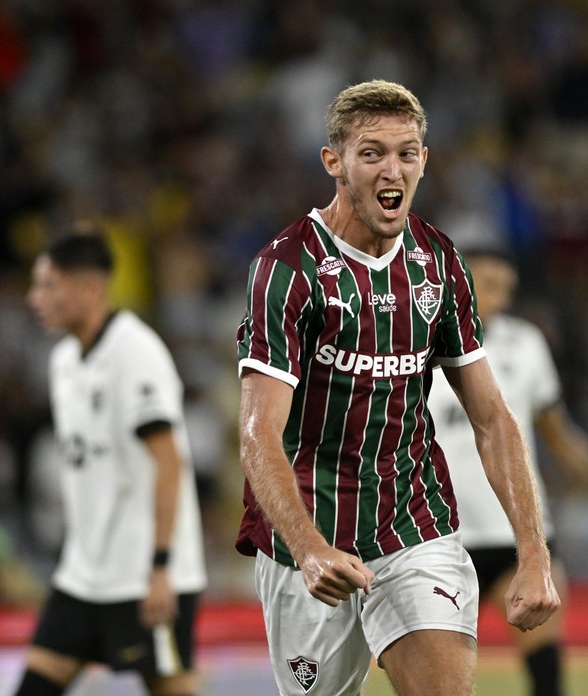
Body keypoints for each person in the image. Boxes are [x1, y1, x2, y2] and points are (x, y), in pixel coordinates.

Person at [235, 79, 559, 696]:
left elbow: (492, 418)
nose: (394, 169)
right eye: (373, 152)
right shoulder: (287, 268)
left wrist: (534, 553)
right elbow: (258, 435)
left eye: (406, 152)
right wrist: (307, 548)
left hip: (414, 524)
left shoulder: (439, 264)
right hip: (310, 537)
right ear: (334, 162)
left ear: (423, 161)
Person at [427, 246, 588, 696]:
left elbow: (563, 441)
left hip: (520, 535)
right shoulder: (413, 344)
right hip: (439, 539)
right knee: (433, 681)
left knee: (547, 675)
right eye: (487, 285)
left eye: (507, 289)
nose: (499, 299)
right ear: (457, 282)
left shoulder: (525, 344)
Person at [15, 230, 207, 696]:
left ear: (89, 289)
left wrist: (161, 566)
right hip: (84, 572)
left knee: (172, 687)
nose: (33, 297)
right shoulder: (63, 361)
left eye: (48, 285)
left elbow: (169, 462)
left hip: (145, 573)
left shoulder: (136, 354)